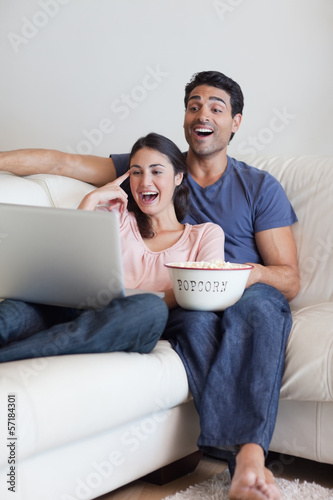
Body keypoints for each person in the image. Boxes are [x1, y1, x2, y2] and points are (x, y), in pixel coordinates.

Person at [0, 71, 299, 500]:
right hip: (136, 301)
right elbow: (61, 164)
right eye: (194, 105)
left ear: (236, 122)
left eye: (217, 107)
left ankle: (248, 460)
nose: (203, 114)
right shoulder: (150, 166)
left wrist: (235, 274)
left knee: (250, 307)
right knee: (24, 306)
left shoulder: (257, 188)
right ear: (183, 119)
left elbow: (288, 277)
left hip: (226, 288)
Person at [0, 132, 225, 363]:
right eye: (136, 172)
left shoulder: (205, 234)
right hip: (76, 308)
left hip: (130, 320)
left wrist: (132, 298)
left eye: (156, 171)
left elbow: (200, 291)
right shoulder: (115, 216)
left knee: (150, 308)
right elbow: (64, 260)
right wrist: (91, 199)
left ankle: (10, 355)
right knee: (14, 312)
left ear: (178, 177)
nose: (145, 181)